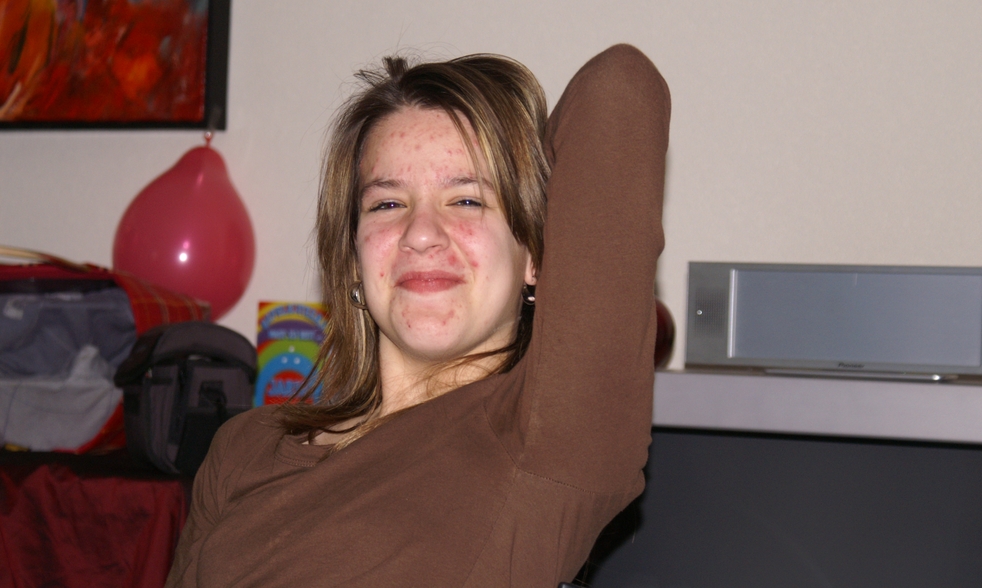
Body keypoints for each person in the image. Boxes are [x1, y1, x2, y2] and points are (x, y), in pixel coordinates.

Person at [165, 44, 670, 588]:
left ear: (534, 255)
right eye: (387, 204)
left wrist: (524, 166)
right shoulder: (244, 446)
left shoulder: (547, 442)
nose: (421, 234)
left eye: (467, 200)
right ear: (354, 258)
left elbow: (620, 87)